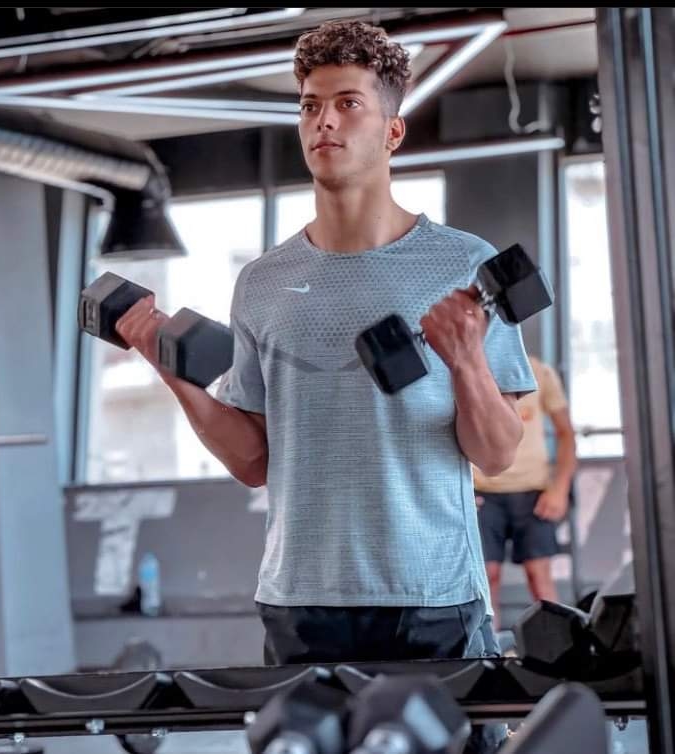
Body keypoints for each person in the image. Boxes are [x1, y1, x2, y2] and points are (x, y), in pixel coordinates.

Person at [116, 20, 537, 752]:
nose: (325, 122)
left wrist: (467, 358)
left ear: (393, 132)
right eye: (311, 106)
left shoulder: (463, 264)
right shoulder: (262, 282)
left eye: (348, 104)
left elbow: (497, 454)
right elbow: (254, 459)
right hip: (300, 601)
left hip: (431, 597)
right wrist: (171, 373)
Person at [473, 355, 577, 631]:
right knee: (486, 576)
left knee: (539, 576)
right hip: (482, 492)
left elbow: (566, 433)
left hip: (533, 492)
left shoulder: (540, 371)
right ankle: (489, 649)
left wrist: (559, 489)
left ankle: (556, 647)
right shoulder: (468, 366)